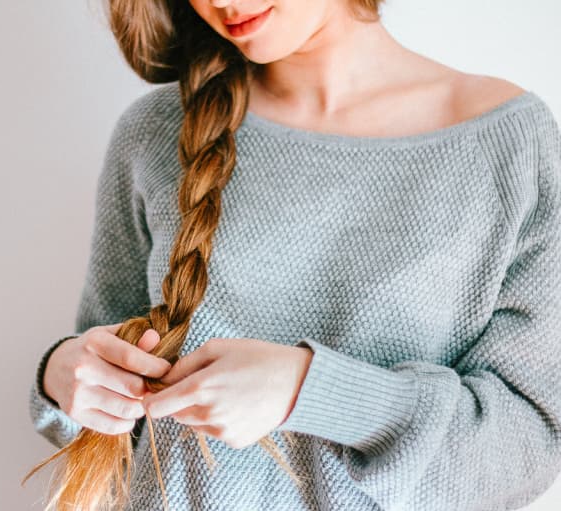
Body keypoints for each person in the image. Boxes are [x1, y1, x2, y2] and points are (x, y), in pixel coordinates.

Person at [28, 0, 561, 509]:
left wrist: (308, 390)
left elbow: (527, 450)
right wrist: (60, 377)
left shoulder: (510, 146)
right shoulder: (155, 132)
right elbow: (100, 403)